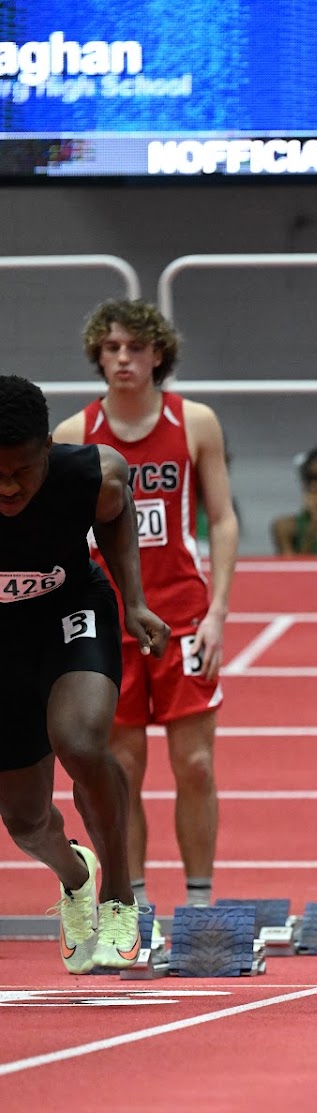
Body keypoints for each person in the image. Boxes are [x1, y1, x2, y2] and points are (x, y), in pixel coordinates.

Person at [53, 299, 239, 919]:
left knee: (196, 765)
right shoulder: (75, 434)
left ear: (158, 353)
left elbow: (223, 519)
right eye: (111, 349)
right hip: (111, 624)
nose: (123, 359)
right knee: (123, 768)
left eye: (135, 347)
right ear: (97, 357)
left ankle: (200, 904)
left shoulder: (195, 423)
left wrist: (217, 614)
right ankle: (131, 905)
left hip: (183, 616)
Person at [0, 375, 169, 972]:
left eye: (22, 470)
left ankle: (120, 894)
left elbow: (115, 514)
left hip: (70, 613)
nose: (8, 486)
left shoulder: (93, 473)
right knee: (24, 821)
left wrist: (135, 600)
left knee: (80, 741)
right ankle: (77, 877)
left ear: (48, 448)